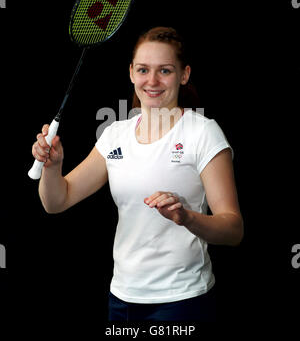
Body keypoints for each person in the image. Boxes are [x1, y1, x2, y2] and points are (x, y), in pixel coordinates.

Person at [32, 27, 243, 322]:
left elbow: (233, 230)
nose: (152, 81)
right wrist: (53, 168)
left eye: (165, 71)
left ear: (184, 75)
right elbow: (57, 201)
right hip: (122, 299)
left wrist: (187, 217)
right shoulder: (114, 136)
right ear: (131, 73)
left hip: (181, 301)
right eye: (143, 70)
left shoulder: (203, 133)